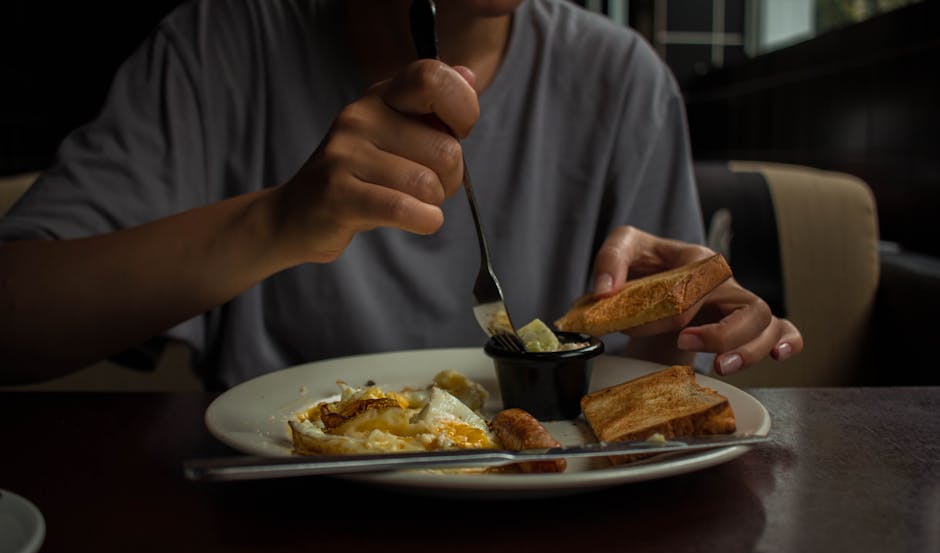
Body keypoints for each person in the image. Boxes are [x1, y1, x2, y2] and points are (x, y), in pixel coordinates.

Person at [0, 0, 802, 390]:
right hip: (280, 533)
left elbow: (655, 383)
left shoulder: (624, 81)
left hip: (552, 536)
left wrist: (678, 330)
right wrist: (275, 221)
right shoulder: (218, 46)